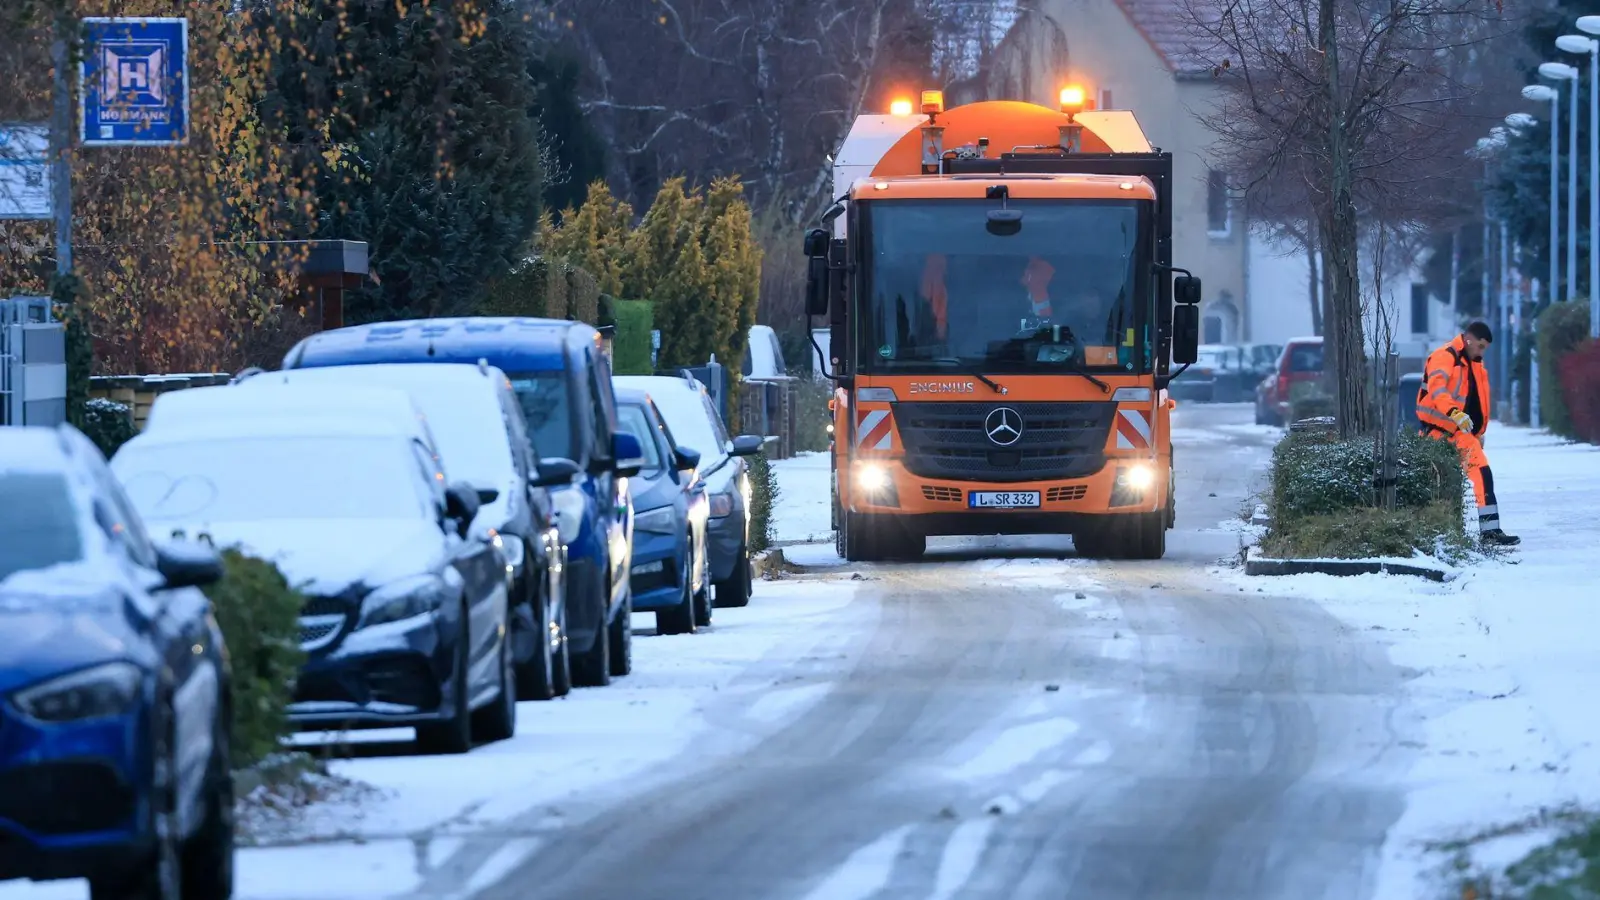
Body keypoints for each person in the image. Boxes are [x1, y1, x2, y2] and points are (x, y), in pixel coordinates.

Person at [1415, 321, 1520, 546]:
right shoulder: (1445, 356)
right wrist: (1455, 413)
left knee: (1482, 473)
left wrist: (1478, 432)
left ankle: (1490, 532)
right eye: (1480, 346)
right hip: (1438, 430)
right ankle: (1441, 533)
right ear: (1469, 339)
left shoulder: (1472, 362)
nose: (1482, 352)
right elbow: (1438, 390)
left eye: (1485, 348)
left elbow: (1475, 400)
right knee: (1440, 483)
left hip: (1458, 432)